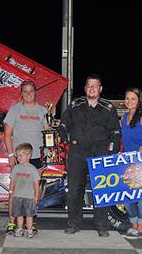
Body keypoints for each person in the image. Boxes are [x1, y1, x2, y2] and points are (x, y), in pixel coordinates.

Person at [58, 73, 121, 237]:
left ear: (100, 89)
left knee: (101, 191)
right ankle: (73, 223)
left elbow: (116, 132)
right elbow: (63, 126)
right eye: (89, 85)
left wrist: (110, 153)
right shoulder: (74, 105)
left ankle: (102, 226)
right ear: (85, 88)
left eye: (95, 86)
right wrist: (66, 139)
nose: (92, 88)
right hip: (77, 153)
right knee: (74, 190)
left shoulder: (108, 108)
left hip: (100, 154)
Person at [4, 79, 49, 234]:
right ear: (21, 94)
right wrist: (11, 154)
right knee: (15, 191)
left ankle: (30, 224)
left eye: (31, 91)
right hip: (19, 157)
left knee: (33, 192)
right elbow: (7, 133)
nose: (28, 94)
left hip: (37, 157)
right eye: (25, 91)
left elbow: (48, 134)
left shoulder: (43, 111)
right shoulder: (15, 110)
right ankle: (11, 223)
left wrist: (50, 152)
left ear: (35, 92)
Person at [121, 87, 142, 239]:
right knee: (127, 196)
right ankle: (134, 225)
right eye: (127, 98)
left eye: (132, 99)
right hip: (128, 163)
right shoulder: (124, 118)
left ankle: (140, 229)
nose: (129, 101)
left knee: (141, 196)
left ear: (139, 101)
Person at [9, 143, 40, 239]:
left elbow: (36, 183)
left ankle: (30, 230)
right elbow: (12, 180)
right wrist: (11, 192)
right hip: (17, 196)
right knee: (19, 214)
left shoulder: (33, 169)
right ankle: (19, 229)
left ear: (29, 156)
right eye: (18, 156)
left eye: (21, 155)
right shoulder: (16, 168)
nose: (19, 158)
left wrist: (36, 196)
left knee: (29, 215)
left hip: (29, 197)